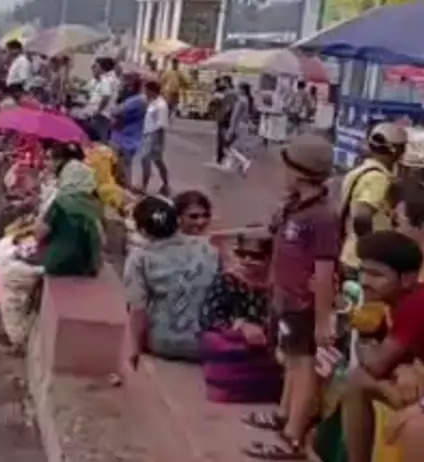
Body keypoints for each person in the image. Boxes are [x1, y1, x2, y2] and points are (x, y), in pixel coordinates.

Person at [240, 134, 339, 459]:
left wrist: (323, 321)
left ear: (299, 172)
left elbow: (324, 273)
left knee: (302, 365)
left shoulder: (322, 217)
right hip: (286, 297)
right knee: (290, 361)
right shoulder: (295, 207)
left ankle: (292, 436)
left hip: (304, 304)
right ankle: (283, 414)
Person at [336, 231, 424, 462]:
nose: (365, 281)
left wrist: (367, 340)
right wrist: (400, 369)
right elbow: (383, 359)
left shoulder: (416, 304)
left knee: (411, 427)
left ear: (407, 279)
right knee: (356, 379)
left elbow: (376, 363)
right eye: (362, 272)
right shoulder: (391, 304)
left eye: (376, 275)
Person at [124, 196, 220, 364]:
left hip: (162, 343)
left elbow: (137, 308)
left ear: (143, 230)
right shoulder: (208, 247)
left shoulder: (140, 257)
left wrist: (134, 349)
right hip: (204, 343)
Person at [199, 233, 282, 403]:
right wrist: (241, 326)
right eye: (242, 254)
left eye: (256, 256)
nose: (247, 260)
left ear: (270, 258)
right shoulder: (227, 280)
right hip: (236, 346)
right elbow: (208, 316)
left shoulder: (279, 286)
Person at [340, 123, 407, 278]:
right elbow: (362, 216)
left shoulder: (359, 171)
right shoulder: (378, 178)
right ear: (396, 151)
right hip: (362, 261)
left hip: (349, 253)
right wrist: (372, 254)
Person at [27, 142, 103, 277]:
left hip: (60, 265)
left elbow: (38, 234)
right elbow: (102, 239)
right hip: (90, 266)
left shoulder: (61, 202)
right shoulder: (95, 204)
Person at [111, 73, 147, 189]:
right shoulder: (138, 99)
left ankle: (126, 186)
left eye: (126, 83)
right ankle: (125, 185)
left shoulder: (136, 100)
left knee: (124, 163)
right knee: (123, 163)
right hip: (128, 135)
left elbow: (116, 111)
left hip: (127, 136)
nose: (124, 85)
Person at [140, 80, 172, 196]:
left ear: (152, 91)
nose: (145, 93)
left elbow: (161, 124)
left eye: (146, 90)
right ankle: (165, 184)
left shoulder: (161, 105)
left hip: (154, 136)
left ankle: (145, 186)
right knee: (157, 161)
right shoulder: (152, 103)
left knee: (146, 159)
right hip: (148, 134)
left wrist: (153, 140)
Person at [223, 82, 256, 175]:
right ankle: (231, 165)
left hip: (239, 126)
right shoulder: (248, 100)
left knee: (231, 147)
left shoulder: (241, 101)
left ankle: (244, 161)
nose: (237, 90)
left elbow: (235, 116)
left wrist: (231, 129)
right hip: (244, 125)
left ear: (242, 90)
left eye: (239, 88)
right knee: (238, 147)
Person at [84, 57, 120, 141]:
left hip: (101, 114)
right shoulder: (113, 79)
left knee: (97, 138)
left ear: (101, 67)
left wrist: (98, 111)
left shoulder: (106, 79)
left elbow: (106, 97)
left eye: (97, 66)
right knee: (101, 138)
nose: (95, 68)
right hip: (106, 114)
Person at [210, 77, 237, 166]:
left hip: (224, 117)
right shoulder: (232, 92)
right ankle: (221, 156)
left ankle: (222, 157)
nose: (222, 83)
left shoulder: (228, 93)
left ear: (226, 82)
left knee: (222, 138)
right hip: (227, 118)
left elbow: (226, 106)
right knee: (223, 138)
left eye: (223, 82)